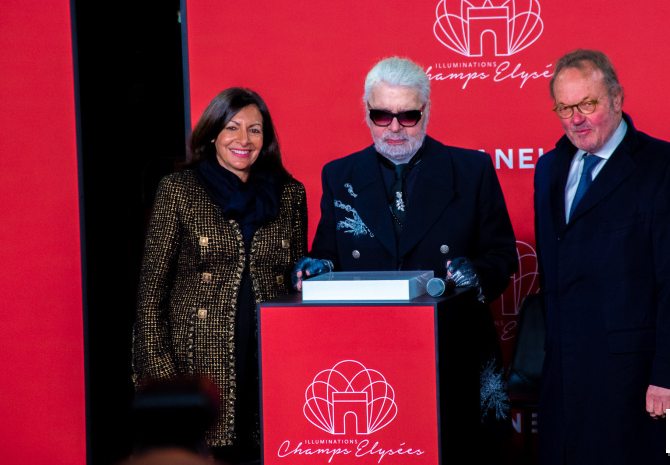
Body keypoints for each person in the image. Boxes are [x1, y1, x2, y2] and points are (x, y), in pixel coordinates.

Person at [295, 56, 518, 454]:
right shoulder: (339, 175)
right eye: (382, 115)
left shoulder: (472, 169)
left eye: (408, 115)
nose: (395, 127)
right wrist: (318, 267)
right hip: (368, 355)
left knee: (461, 451)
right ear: (367, 114)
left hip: (454, 350)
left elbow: (502, 255)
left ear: (426, 111)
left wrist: (475, 273)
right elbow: (328, 251)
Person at [534, 49, 670, 464]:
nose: (575, 118)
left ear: (617, 99)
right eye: (564, 107)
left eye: (587, 104)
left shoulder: (669, 167)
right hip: (566, 379)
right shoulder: (549, 169)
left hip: (640, 385)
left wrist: (669, 375)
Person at [133, 87, 308, 464]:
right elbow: (150, 297)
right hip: (195, 369)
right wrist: (165, 381)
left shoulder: (291, 194)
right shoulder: (178, 190)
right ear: (213, 134)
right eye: (233, 127)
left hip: (269, 368)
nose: (244, 140)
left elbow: (299, 290)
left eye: (255, 130)